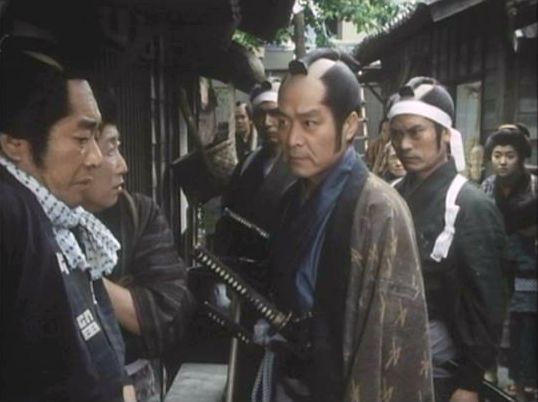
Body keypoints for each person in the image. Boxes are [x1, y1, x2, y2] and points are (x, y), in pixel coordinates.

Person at [251, 49, 433, 402]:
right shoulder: (290, 198)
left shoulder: (379, 209)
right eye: (285, 122)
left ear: (350, 125)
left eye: (309, 123)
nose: (292, 139)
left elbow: (395, 340)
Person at [0, 41, 129, 401]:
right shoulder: (11, 213)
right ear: (16, 144)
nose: (95, 158)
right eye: (82, 138)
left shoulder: (64, 221)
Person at [388, 76, 508, 402]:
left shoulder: (470, 205)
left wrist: (470, 382)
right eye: (396, 133)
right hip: (389, 350)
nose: (404, 144)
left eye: (416, 132)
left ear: (444, 134)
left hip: (442, 366)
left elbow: (488, 302)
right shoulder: (391, 195)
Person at [81, 86, 195, 402]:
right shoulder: (37, 223)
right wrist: (126, 296)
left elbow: (165, 314)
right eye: (111, 149)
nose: (123, 165)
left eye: (117, 147)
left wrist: (83, 278)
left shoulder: (139, 214)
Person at [481, 124, 537, 402]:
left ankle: (524, 383)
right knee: (490, 318)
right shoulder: (487, 186)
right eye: (497, 155)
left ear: (521, 157)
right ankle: (488, 371)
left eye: (510, 155)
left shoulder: (534, 186)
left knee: (525, 326)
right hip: (495, 263)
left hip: (529, 265)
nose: (502, 161)